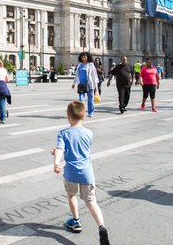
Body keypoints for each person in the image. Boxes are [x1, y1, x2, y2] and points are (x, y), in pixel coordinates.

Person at [51, 101, 110, 245]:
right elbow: (82, 150)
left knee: (72, 196)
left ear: (68, 116)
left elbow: (60, 149)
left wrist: (56, 162)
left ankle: (76, 221)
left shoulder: (63, 133)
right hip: (87, 173)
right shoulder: (89, 133)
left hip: (71, 173)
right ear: (83, 116)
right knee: (91, 202)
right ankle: (101, 226)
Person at [72, 51, 99, 117]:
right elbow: (77, 75)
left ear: (87, 57)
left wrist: (96, 87)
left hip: (89, 84)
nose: (83, 58)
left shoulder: (91, 65)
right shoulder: (79, 65)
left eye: (85, 57)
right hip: (81, 85)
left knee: (90, 99)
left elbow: (94, 76)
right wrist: (74, 83)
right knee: (81, 100)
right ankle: (82, 112)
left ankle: (91, 112)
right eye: (82, 57)